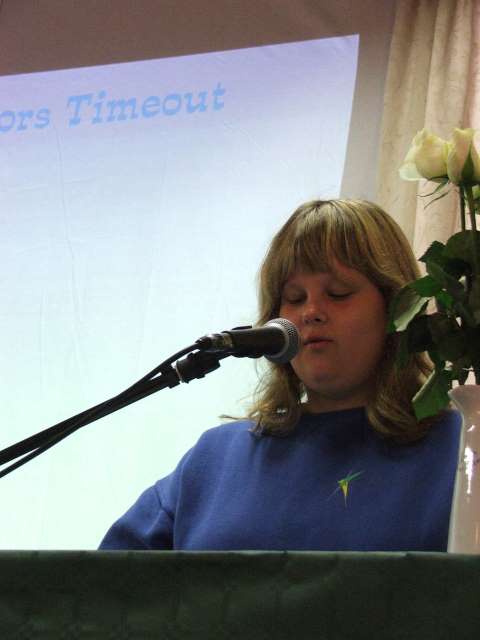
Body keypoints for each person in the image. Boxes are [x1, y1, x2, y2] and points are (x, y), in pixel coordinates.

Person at [99, 199, 461, 551]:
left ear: (398, 308)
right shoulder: (214, 461)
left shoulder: (461, 450)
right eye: (295, 297)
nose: (311, 311)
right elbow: (103, 581)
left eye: (338, 293)